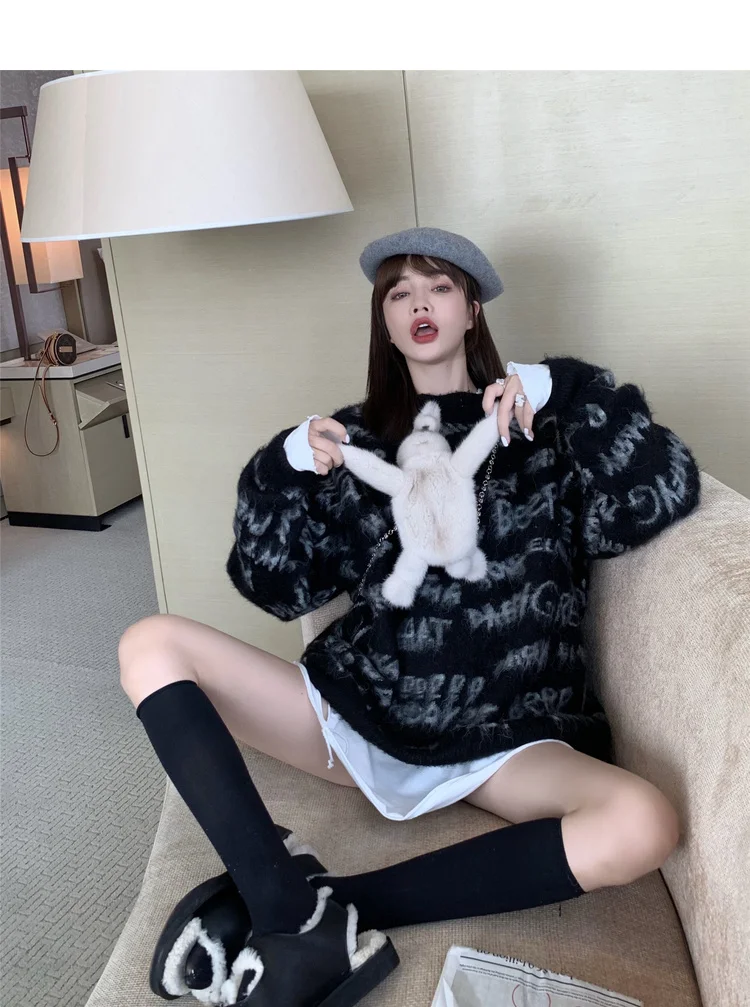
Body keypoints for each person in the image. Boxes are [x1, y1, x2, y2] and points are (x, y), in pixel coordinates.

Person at [119, 227, 702, 1007]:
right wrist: (281, 466)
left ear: (472, 309)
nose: (419, 303)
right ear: (386, 323)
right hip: (363, 712)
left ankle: (318, 906)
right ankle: (288, 910)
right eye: (399, 292)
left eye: (439, 286)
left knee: (642, 823)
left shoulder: (544, 426)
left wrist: (561, 386)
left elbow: (663, 488)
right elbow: (276, 585)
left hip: (511, 738)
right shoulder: (350, 440)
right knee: (149, 642)